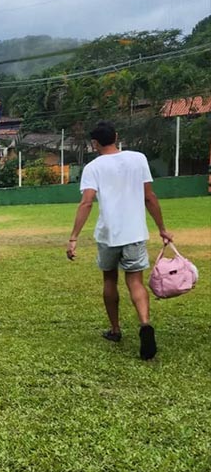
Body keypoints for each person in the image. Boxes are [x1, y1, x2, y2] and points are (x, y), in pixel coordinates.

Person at [67, 121, 172, 361]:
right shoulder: (139, 159)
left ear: (94, 144)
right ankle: (145, 324)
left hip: (108, 234)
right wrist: (162, 229)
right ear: (116, 136)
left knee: (109, 279)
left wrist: (73, 237)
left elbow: (86, 202)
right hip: (135, 232)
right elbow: (149, 197)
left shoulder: (93, 167)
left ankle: (115, 329)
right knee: (135, 282)